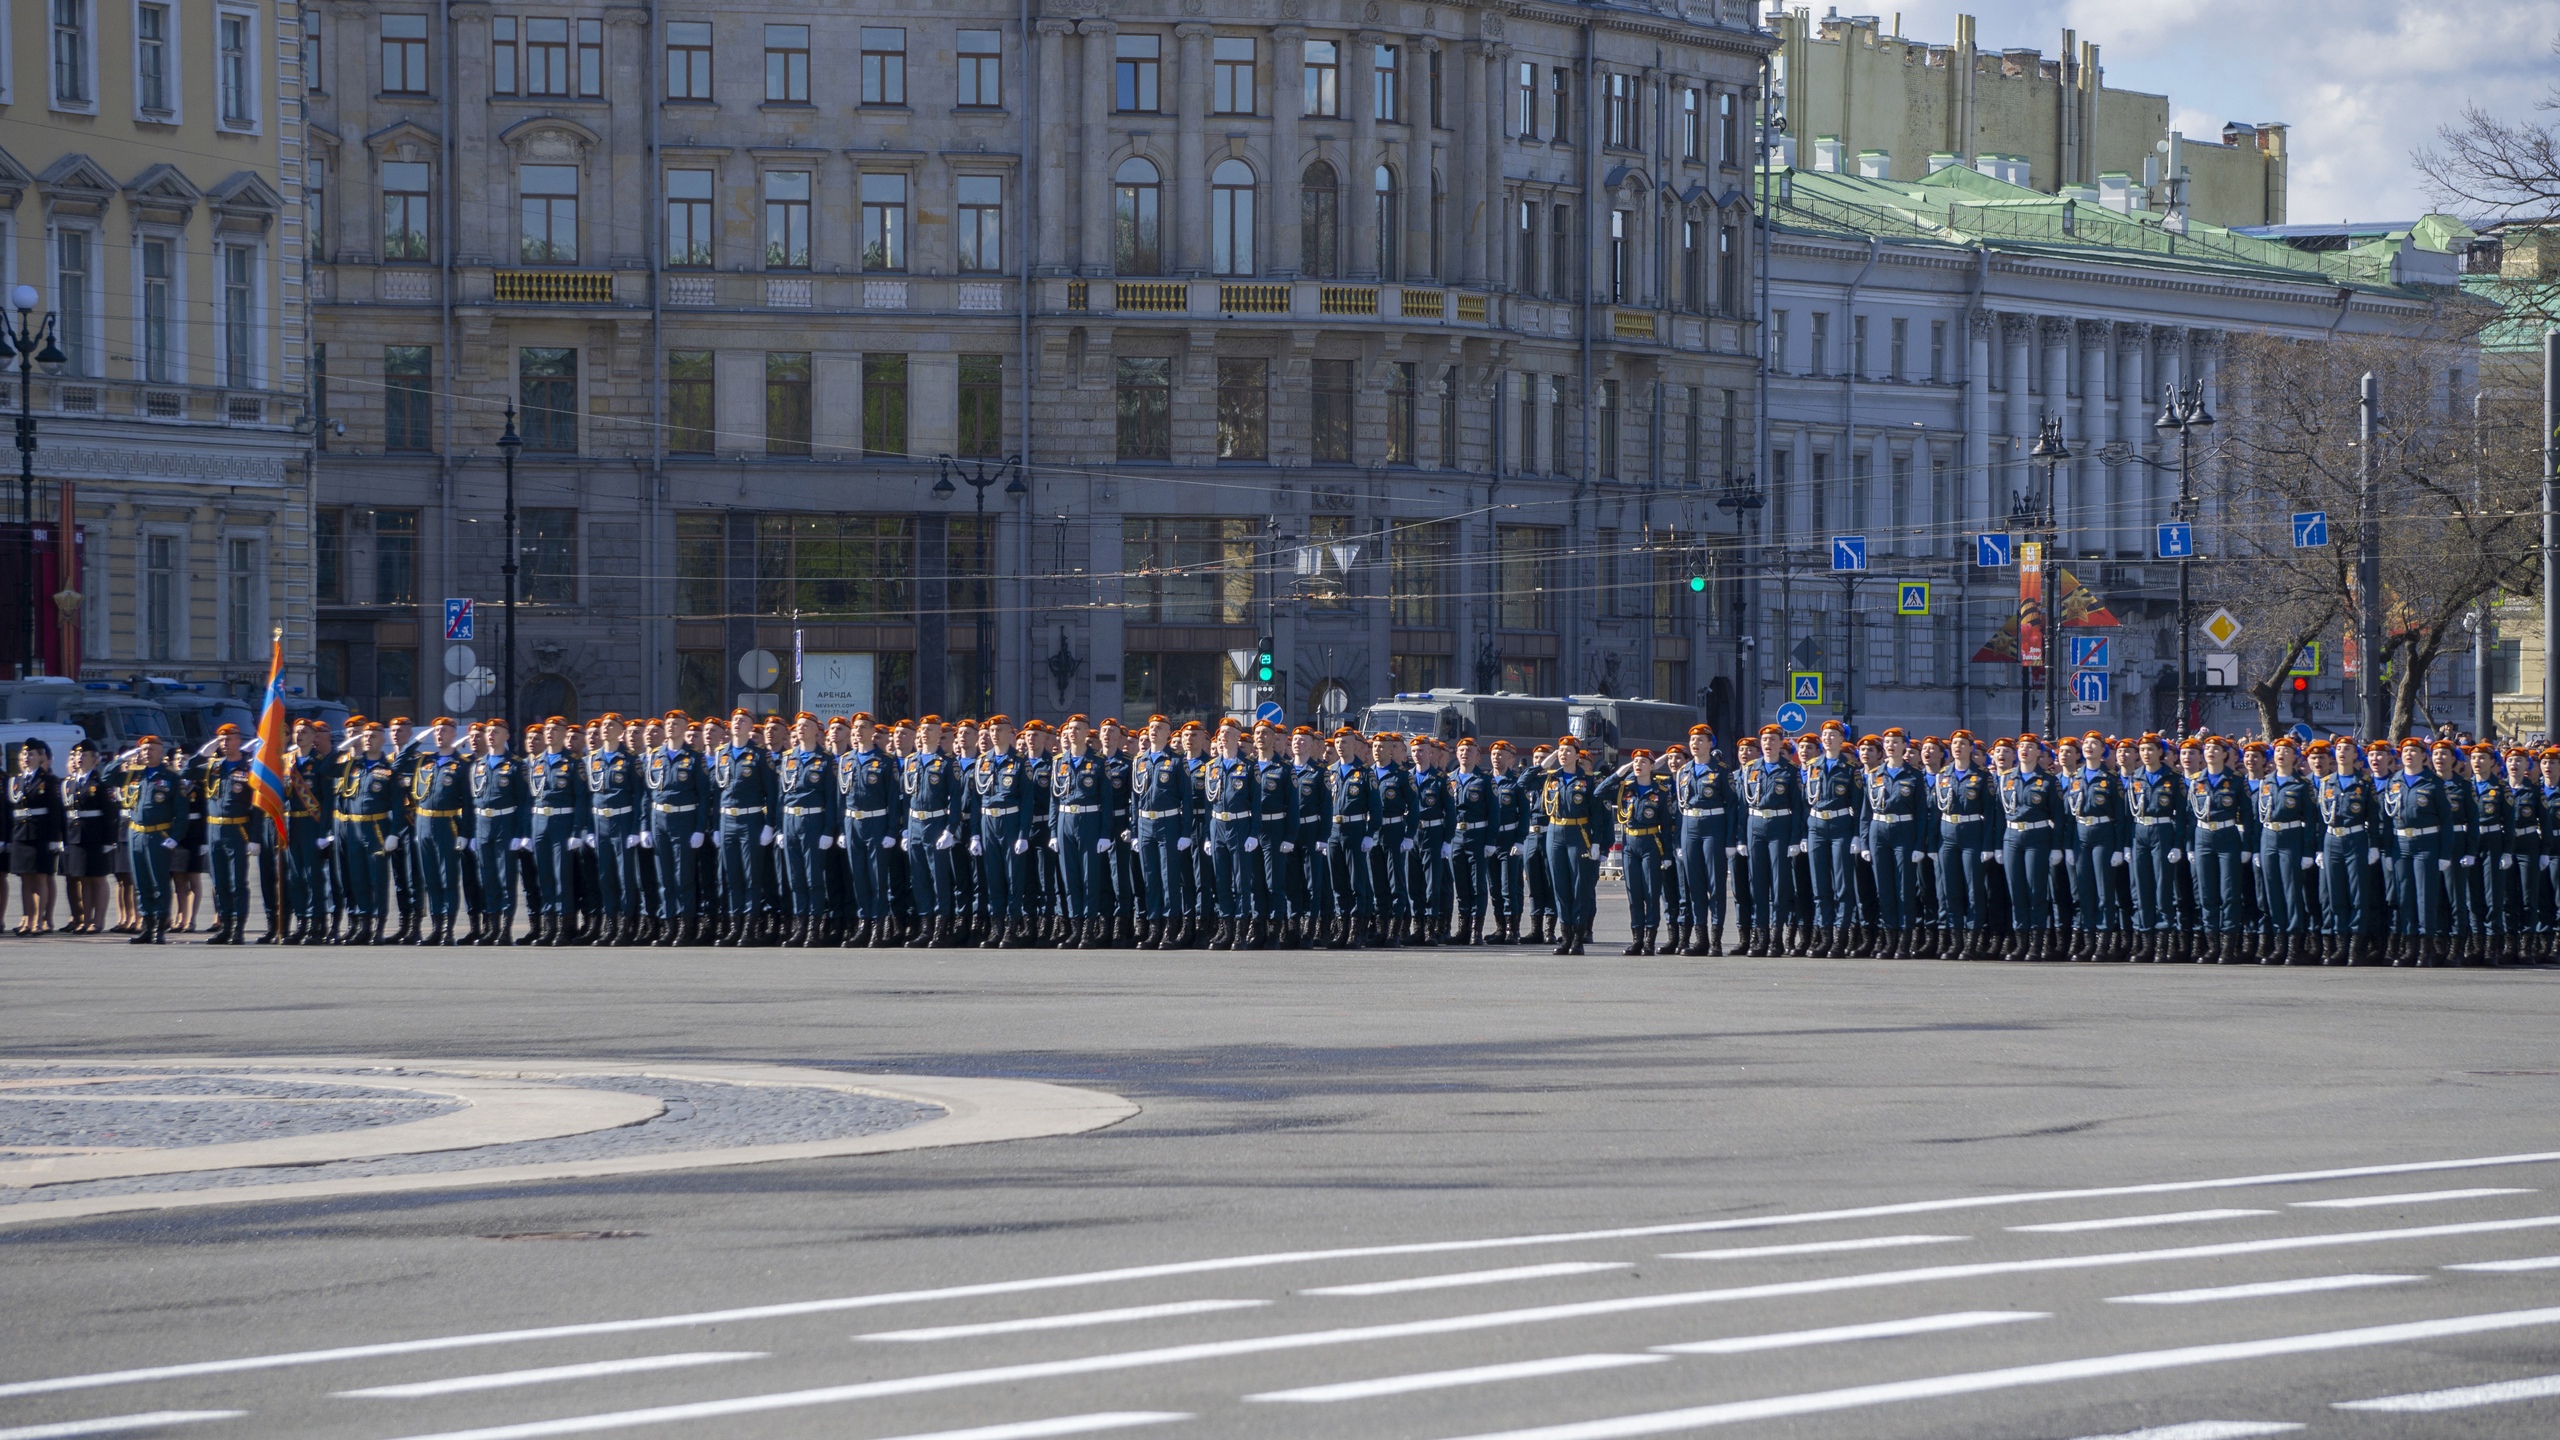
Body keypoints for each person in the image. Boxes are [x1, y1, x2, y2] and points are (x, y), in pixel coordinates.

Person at [100, 736, 185, 945]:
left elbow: (182, 813)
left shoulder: (171, 778)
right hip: (136, 834)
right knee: (141, 882)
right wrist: (124, 758)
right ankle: (146, 926)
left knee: (159, 883)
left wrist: (175, 838)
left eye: (152, 749)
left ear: (161, 752)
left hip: (159, 834)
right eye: (143, 749)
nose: (147, 752)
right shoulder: (133, 774)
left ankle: (159, 928)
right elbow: (106, 777)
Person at [1596, 748, 1670, 955]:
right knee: (1634, 894)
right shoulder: (1624, 789)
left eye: (1643, 762)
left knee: (1650, 893)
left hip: (1651, 842)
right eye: (1635, 761)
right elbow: (1598, 792)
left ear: (1652, 767)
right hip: (1630, 844)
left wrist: (1668, 855)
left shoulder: (1660, 792)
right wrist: (1619, 773)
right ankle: (1637, 939)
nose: (1638, 765)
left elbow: (1665, 825)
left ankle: (1649, 940)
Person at [8, 739, 64, 935]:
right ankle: (28, 919)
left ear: (41, 757)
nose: (27, 757)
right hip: (21, 835)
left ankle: (39, 921)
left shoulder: (48, 781)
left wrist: (55, 838)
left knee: (40, 878)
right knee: (25, 879)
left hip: (41, 834)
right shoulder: (16, 781)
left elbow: (56, 812)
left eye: (31, 754)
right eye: (24, 754)